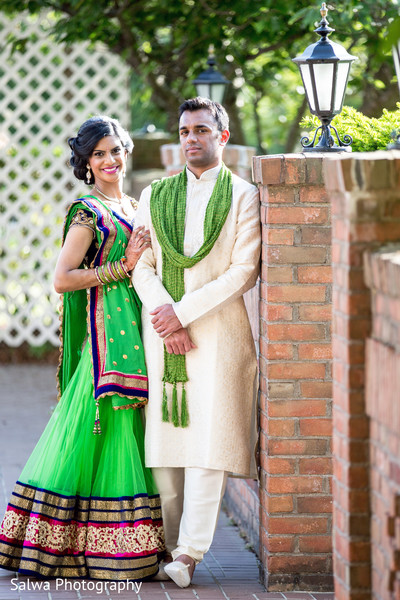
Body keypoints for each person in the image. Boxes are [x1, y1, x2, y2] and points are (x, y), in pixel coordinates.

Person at [0, 116, 165, 580]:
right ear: (86, 164)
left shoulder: (135, 206)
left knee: (128, 431)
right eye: (99, 154)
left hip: (137, 335)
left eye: (115, 151)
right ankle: (87, 548)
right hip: (105, 341)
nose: (110, 160)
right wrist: (123, 266)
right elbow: (62, 279)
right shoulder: (87, 211)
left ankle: (117, 542)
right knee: (99, 431)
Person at [131, 97, 261, 588]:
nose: (192, 139)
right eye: (185, 131)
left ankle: (188, 553)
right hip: (163, 336)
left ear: (221, 138)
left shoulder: (244, 196)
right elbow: (142, 267)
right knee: (166, 445)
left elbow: (243, 271)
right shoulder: (154, 195)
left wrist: (181, 312)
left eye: (202, 130)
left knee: (208, 444)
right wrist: (168, 318)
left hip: (219, 335)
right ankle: (165, 546)